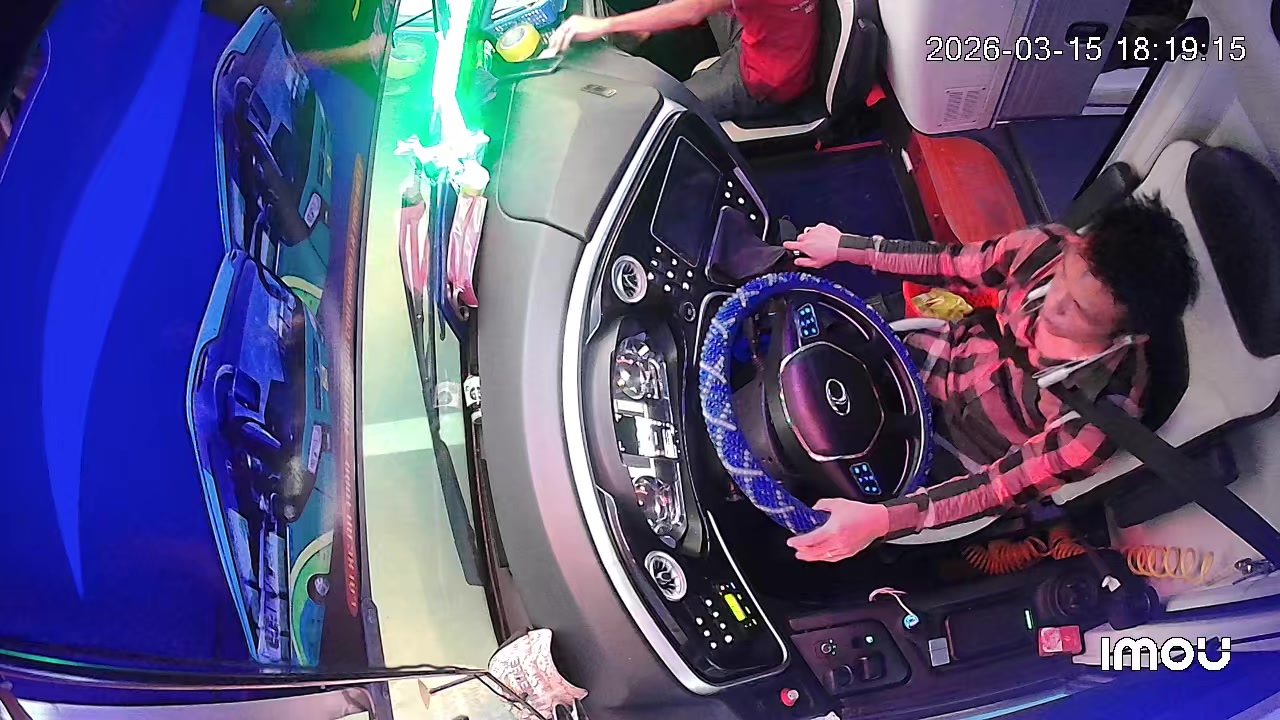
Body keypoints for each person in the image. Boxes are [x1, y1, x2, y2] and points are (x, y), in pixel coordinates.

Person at [780, 196, 1199, 562]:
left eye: (1079, 311)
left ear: (1129, 336)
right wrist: (846, 247)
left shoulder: (1100, 418)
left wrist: (881, 520)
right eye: (1063, 278)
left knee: (824, 511)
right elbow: (947, 262)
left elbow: (996, 489)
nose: (1053, 303)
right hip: (931, 356)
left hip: (958, 459)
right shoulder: (1045, 249)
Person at [547, 0, 819, 122]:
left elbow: (694, 9)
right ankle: (644, 29)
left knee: (666, 107)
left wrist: (604, 25)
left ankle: (641, 30)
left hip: (766, 78)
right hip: (771, 34)